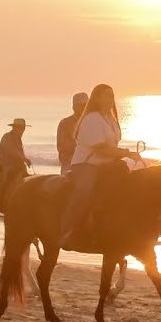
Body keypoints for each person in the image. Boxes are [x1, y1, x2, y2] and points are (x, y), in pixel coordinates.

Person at [59, 84, 139, 249]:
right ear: (97, 99)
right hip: (87, 164)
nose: (110, 99)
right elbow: (100, 148)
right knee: (85, 189)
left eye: (112, 95)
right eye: (106, 96)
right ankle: (67, 229)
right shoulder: (91, 119)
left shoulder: (110, 118)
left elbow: (111, 146)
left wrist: (124, 155)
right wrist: (126, 153)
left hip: (107, 165)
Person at [56, 92, 88, 174]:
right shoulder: (65, 123)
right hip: (70, 165)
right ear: (74, 107)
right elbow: (62, 148)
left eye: (85, 105)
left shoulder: (92, 122)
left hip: (88, 163)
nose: (83, 108)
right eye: (80, 105)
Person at [0, 118, 32, 183]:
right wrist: (24, 158)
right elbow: (10, 151)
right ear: (14, 128)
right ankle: (0, 192)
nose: (22, 130)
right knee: (5, 180)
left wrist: (24, 161)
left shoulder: (18, 139)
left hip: (17, 167)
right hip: (5, 165)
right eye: (20, 128)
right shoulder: (7, 136)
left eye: (23, 128)